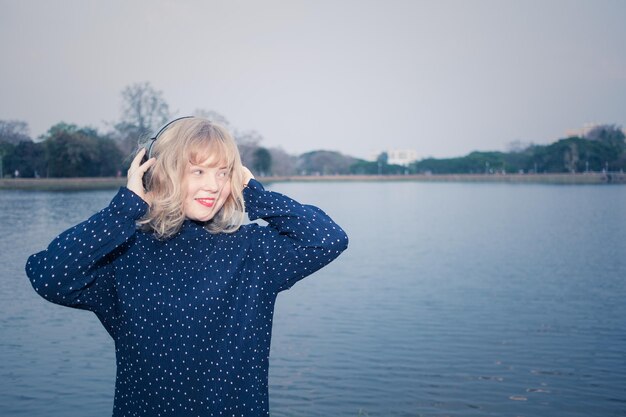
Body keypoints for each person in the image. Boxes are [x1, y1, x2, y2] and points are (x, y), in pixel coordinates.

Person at [25, 117, 348, 417]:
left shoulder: (250, 250)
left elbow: (327, 238)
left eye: (223, 173)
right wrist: (125, 209)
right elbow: (50, 276)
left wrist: (253, 194)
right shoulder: (123, 254)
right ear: (159, 172)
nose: (213, 185)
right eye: (198, 172)